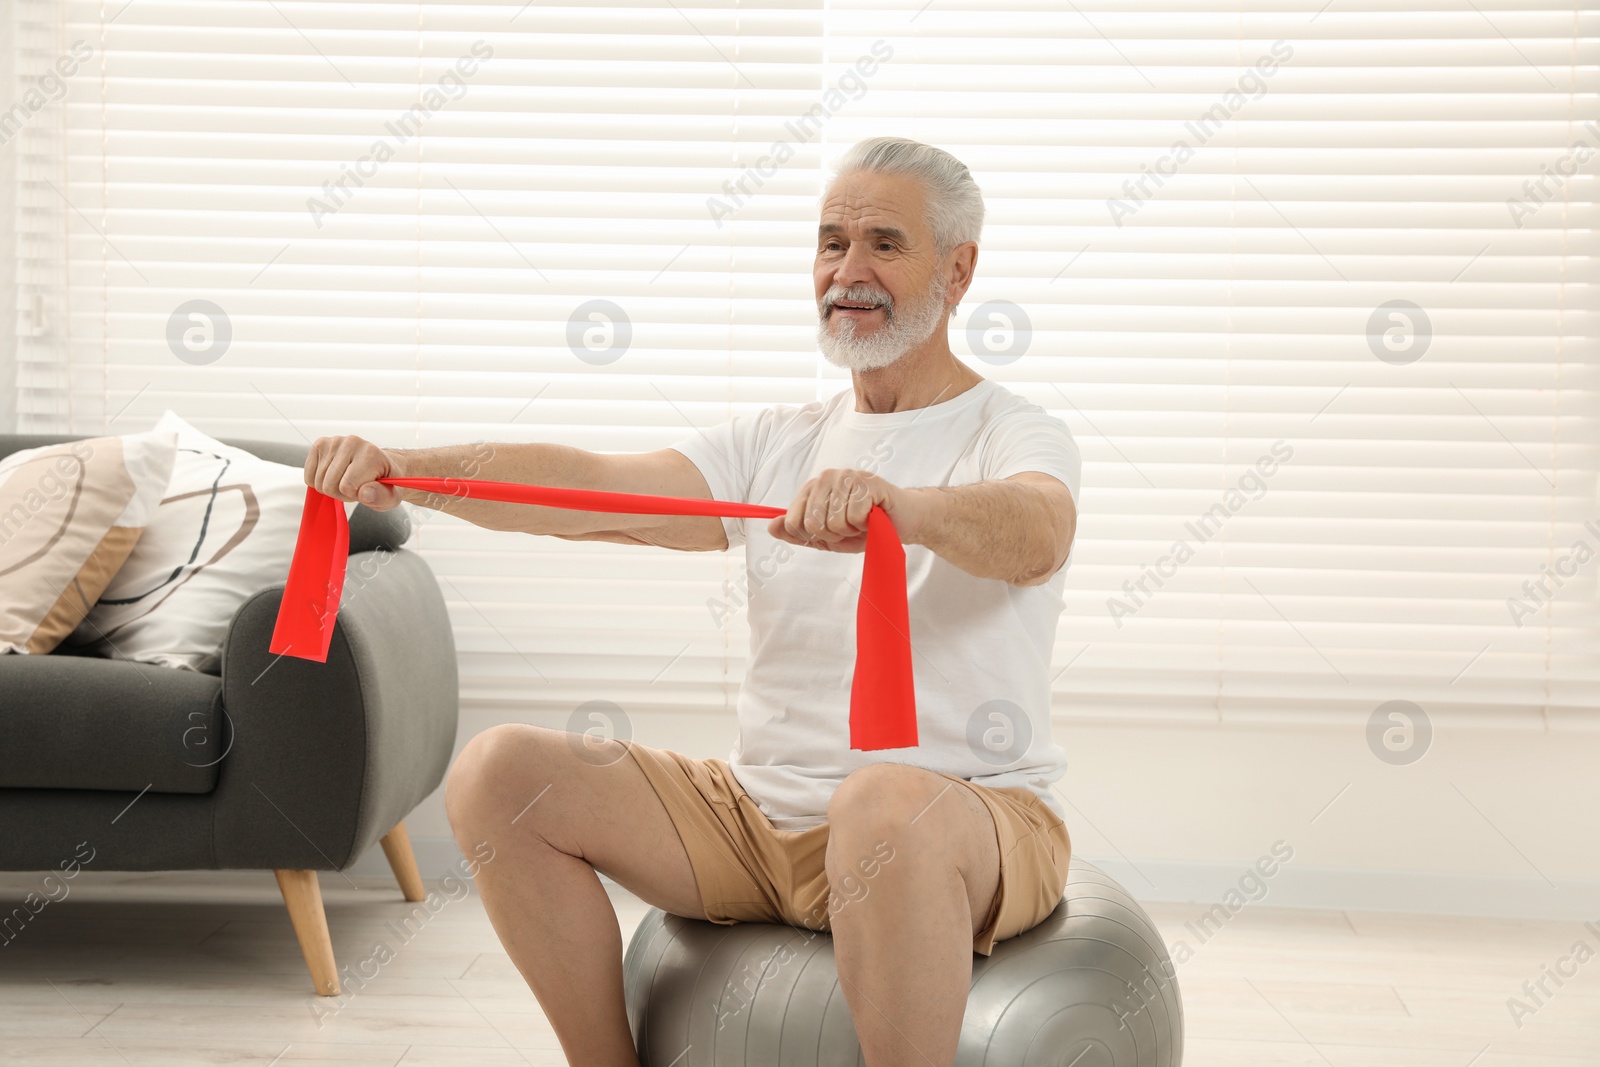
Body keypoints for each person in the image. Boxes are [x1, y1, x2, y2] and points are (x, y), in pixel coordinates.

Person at [303, 136, 1080, 1067]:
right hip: (762, 819)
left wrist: (900, 508)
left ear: (959, 272)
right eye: (831, 243)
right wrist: (413, 472)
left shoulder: (1013, 430)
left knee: (880, 803)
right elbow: (591, 492)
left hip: (964, 817)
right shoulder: (778, 440)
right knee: (498, 771)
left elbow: (1037, 532)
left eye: (884, 242)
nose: (849, 270)